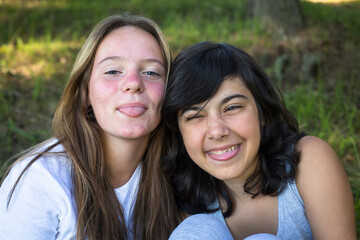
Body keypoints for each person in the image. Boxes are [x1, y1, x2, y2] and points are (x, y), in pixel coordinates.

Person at [0, 13, 180, 240]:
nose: (133, 83)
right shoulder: (41, 181)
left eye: (151, 72)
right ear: (85, 92)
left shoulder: (180, 173)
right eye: (113, 71)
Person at [162, 41, 356, 239]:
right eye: (195, 116)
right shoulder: (185, 194)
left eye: (232, 107)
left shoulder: (309, 161)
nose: (217, 131)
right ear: (179, 131)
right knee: (198, 230)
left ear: (261, 111)